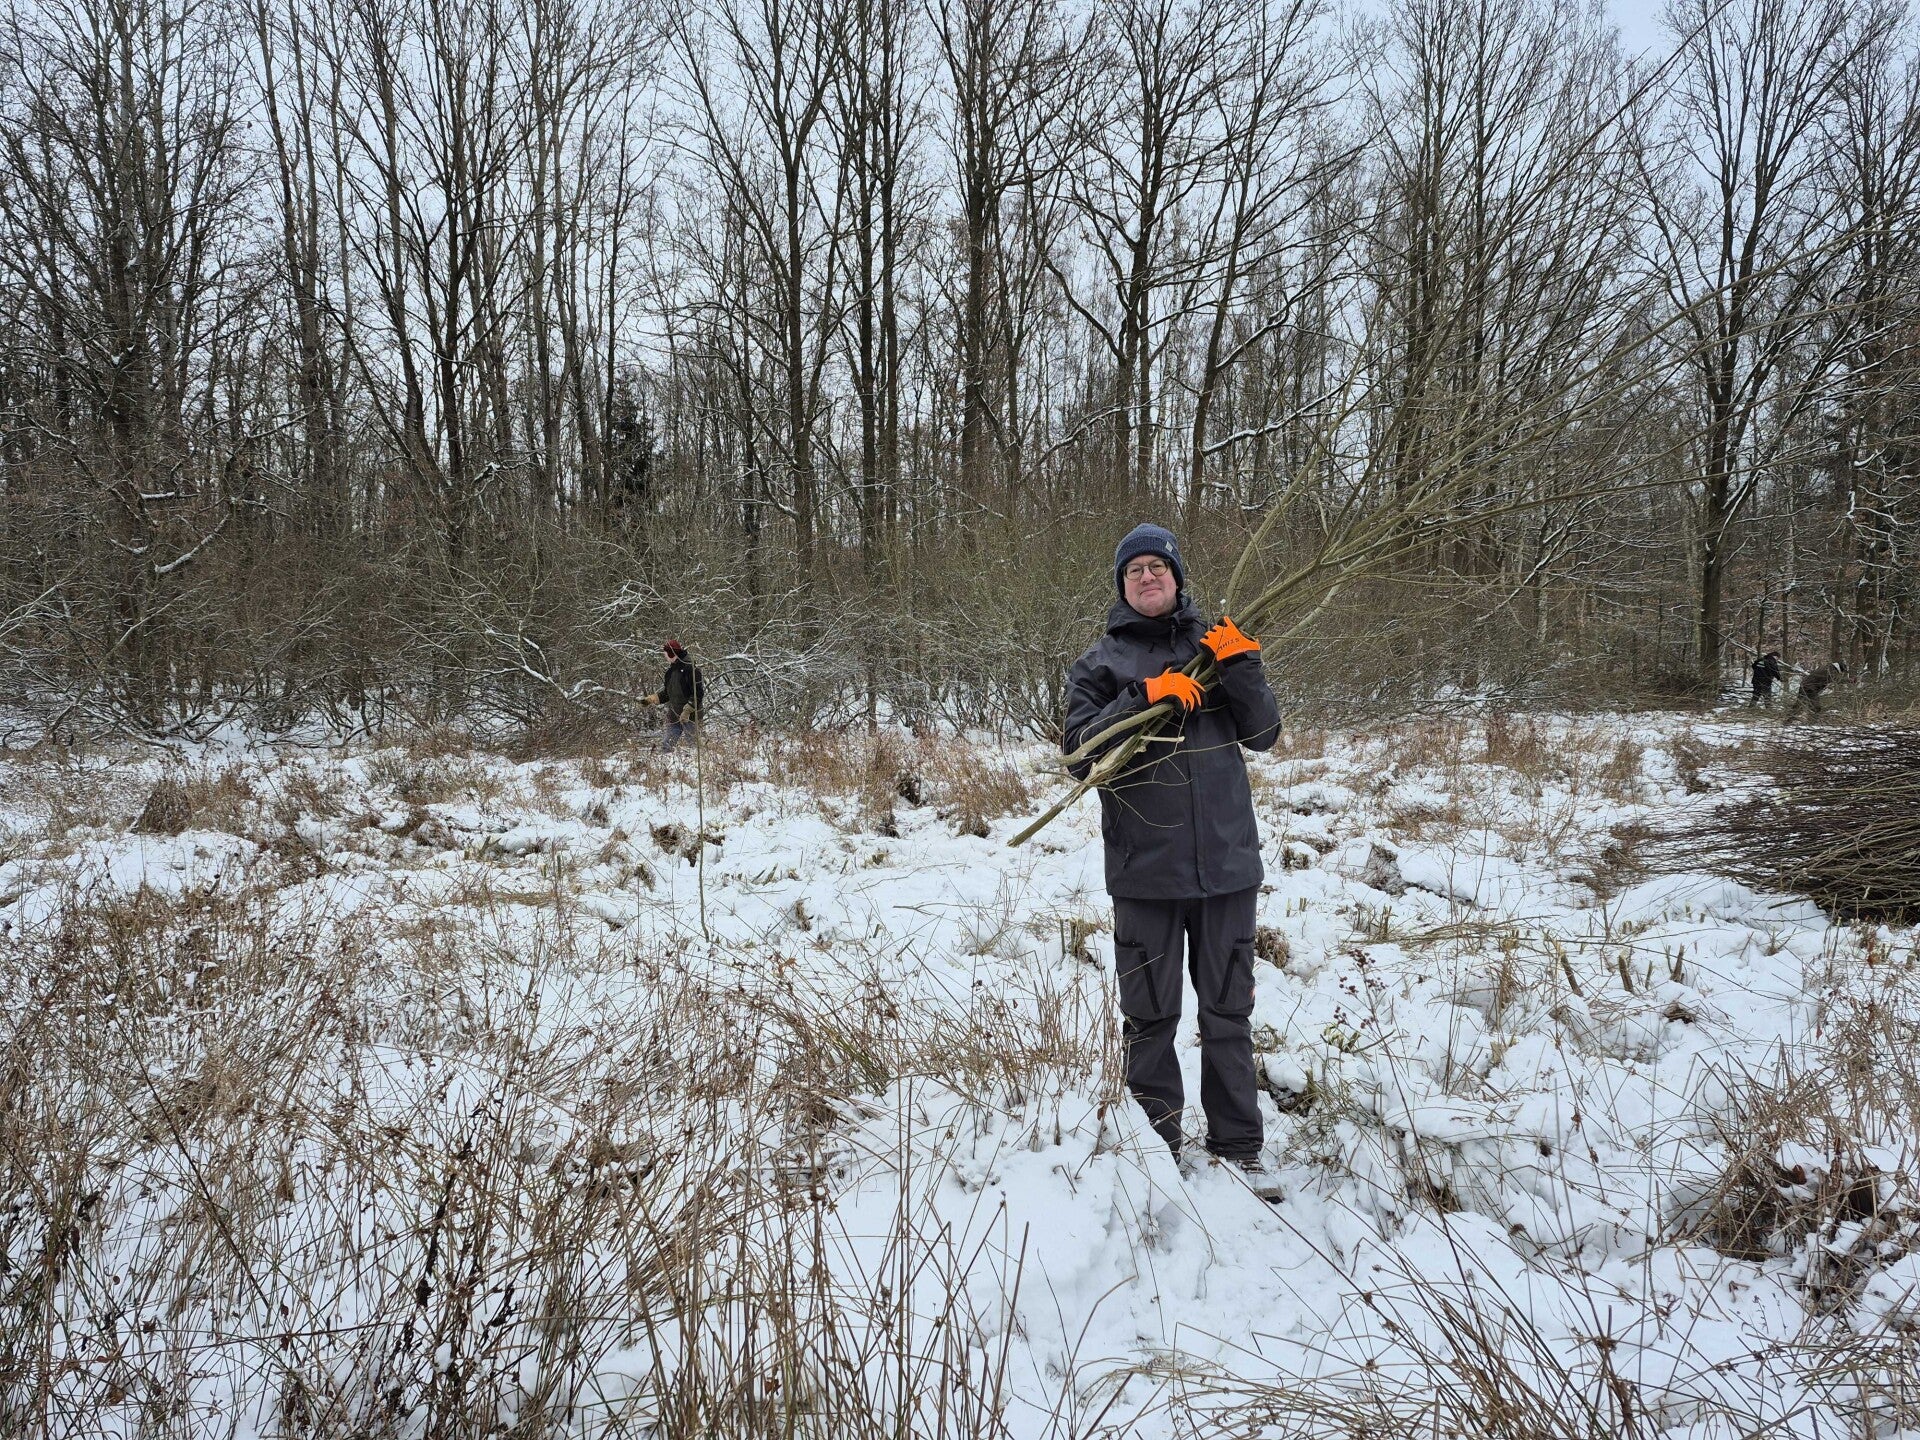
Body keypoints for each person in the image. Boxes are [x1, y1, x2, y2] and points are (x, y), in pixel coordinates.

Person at [1063, 523, 1282, 1176]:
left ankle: (1238, 1146)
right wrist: (1144, 696)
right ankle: (1155, 1148)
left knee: (1228, 1014)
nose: (1147, 576)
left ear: (1177, 576)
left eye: (1158, 566)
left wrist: (1241, 666)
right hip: (1144, 874)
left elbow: (1264, 734)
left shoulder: (1215, 646)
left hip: (1226, 868)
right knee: (1149, 1017)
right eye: (1134, 570)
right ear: (1122, 586)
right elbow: (1078, 753)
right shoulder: (1099, 664)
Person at [644, 639, 705, 751]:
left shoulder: (691, 669)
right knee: (667, 744)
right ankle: (666, 761)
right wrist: (651, 699)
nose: (664, 655)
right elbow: (668, 693)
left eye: (666, 653)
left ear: (672, 653)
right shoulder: (670, 671)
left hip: (690, 715)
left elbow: (698, 693)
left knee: (694, 746)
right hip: (675, 714)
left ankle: (703, 762)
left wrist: (687, 710)